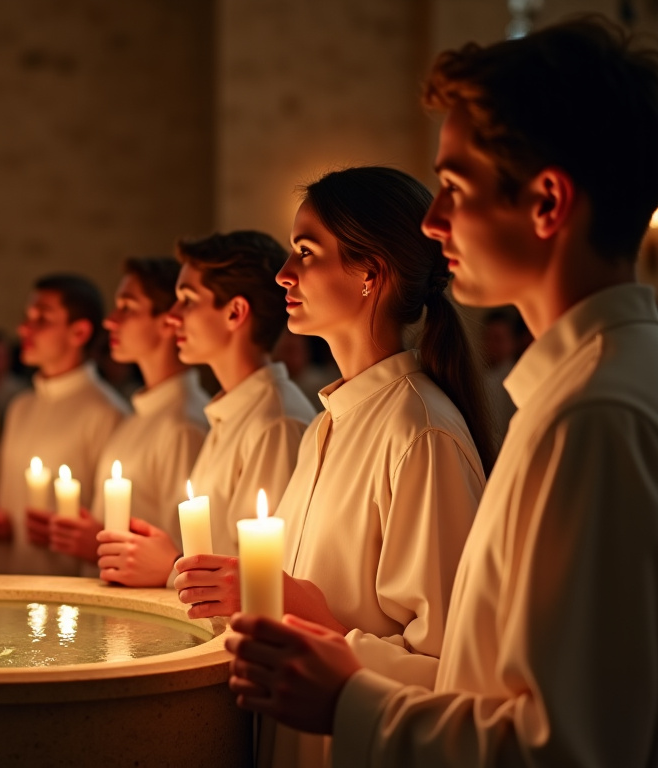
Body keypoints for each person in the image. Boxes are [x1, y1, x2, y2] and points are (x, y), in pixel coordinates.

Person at [225, 19, 658, 766]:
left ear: (547, 203)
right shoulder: (577, 397)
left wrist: (347, 694)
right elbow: (487, 675)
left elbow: (566, 747)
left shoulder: (595, 416)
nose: (432, 222)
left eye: (453, 187)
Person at [179, 167, 493, 767]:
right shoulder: (329, 424)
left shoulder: (419, 432)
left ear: (369, 273)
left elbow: (451, 670)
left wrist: (310, 614)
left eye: (305, 252)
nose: (283, 273)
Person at [101, 235, 316, 588]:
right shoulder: (233, 411)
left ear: (235, 313)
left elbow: (263, 575)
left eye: (187, 300)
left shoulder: (275, 422)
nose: (173, 317)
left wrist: (170, 566)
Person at [52, 257, 209, 577]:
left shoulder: (183, 424)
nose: (111, 321)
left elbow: (184, 550)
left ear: (168, 321)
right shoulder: (139, 415)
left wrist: (97, 546)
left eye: (127, 308)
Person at [0, 274, 128, 576]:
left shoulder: (105, 413)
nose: (24, 329)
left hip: (65, 588)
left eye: (41, 319)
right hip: (9, 579)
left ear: (79, 332)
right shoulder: (22, 406)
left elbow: (108, 521)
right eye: (27, 317)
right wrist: (5, 523)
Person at [479, 306, 530, 448]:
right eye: (487, 338)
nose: (491, 345)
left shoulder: (519, 378)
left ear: (513, 342)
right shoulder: (483, 378)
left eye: (498, 339)